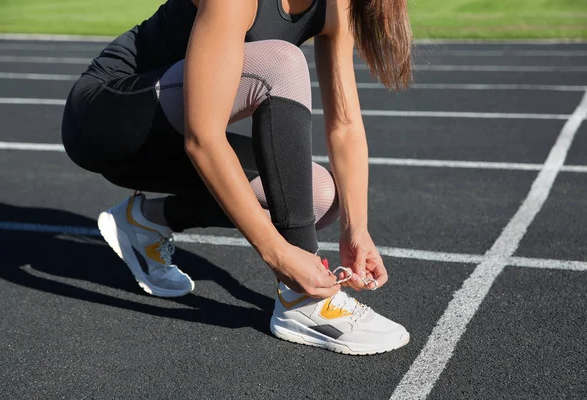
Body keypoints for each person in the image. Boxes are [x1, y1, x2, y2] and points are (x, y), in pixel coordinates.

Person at [61, 0, 413, 355]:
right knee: (282, 61)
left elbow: (345, 125)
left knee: (321, 197)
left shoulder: (338, 6)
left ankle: (144, 221)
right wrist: (280, 255)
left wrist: (357, 228)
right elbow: (203, 139)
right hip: (103, 121)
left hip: (173, 142)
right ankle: (304, 303)